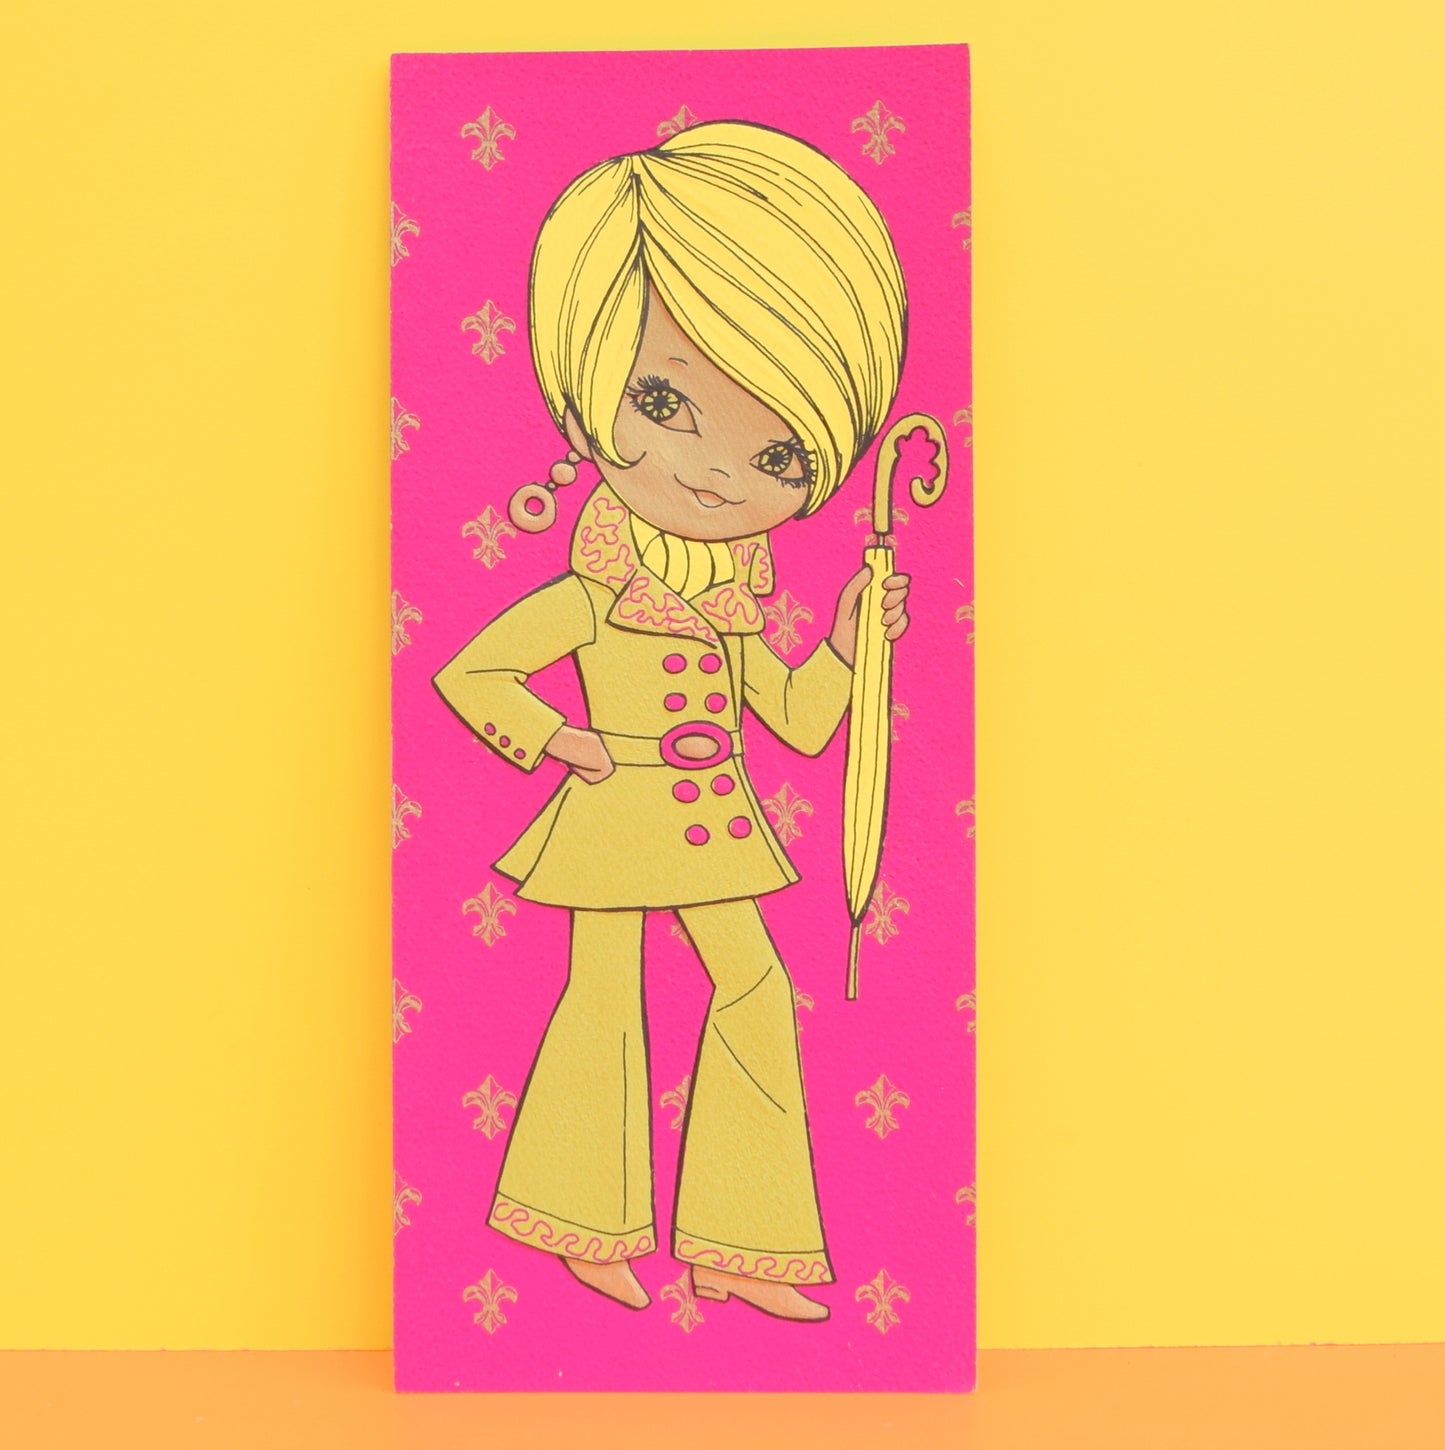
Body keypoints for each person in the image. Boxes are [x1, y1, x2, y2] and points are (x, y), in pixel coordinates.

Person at [433, 121, 910, 1322]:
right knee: (602, 996)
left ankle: (740, 1245)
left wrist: (849, 639)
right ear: (587, 386)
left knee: (754, 987)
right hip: (612, 814)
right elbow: (473, 674)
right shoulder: (596, 582)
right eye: (663, 400)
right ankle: (580, 1222)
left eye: (778, 452)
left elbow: (797, 722)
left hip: (708, 824)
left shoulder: (730, 592)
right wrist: (561, 741)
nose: (714, 474)